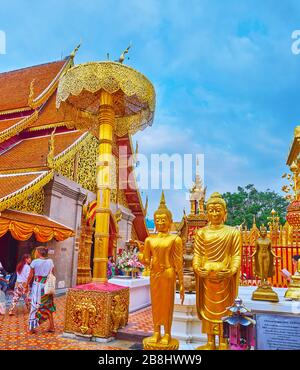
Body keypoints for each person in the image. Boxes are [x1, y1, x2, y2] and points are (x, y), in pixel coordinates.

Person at [193, 192, 242, 350]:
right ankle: (209, 341)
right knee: (208, 312)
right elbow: (198, 255)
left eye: (218, 210)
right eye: (211, 210)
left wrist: (231, 270)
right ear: (207, 213)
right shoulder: (201, 233)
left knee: (225, 312)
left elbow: (236, 255)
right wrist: (198, 269)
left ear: (225, 213)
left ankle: (223, 341)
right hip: (207, 279)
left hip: (225, 279)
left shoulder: (232, 232)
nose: (214, 213)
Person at [139, 192, 184, 347]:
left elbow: (179, 261)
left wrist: (182, 283)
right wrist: (140, 253)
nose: (160, 222)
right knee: (156, 303)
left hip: (168, 273)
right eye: (157, 220)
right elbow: (146, 260)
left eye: (163, 219)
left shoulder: (175, 239)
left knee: (167, 304)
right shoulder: (149, 240)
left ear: (170, 221)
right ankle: (156, 331)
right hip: (155, 274)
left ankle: (167, 333)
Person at [26, 246, 56, 334]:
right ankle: (52, 327)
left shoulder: (35, 262)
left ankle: (31, 328)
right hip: (47, 286)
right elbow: (53, 274)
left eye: (36, 251)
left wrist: (26, 284)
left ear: (39, 253)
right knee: (48, 306)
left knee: (35, 306)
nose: (35, 253)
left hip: (38, 286)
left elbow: (30, 276)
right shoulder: (50, 261)